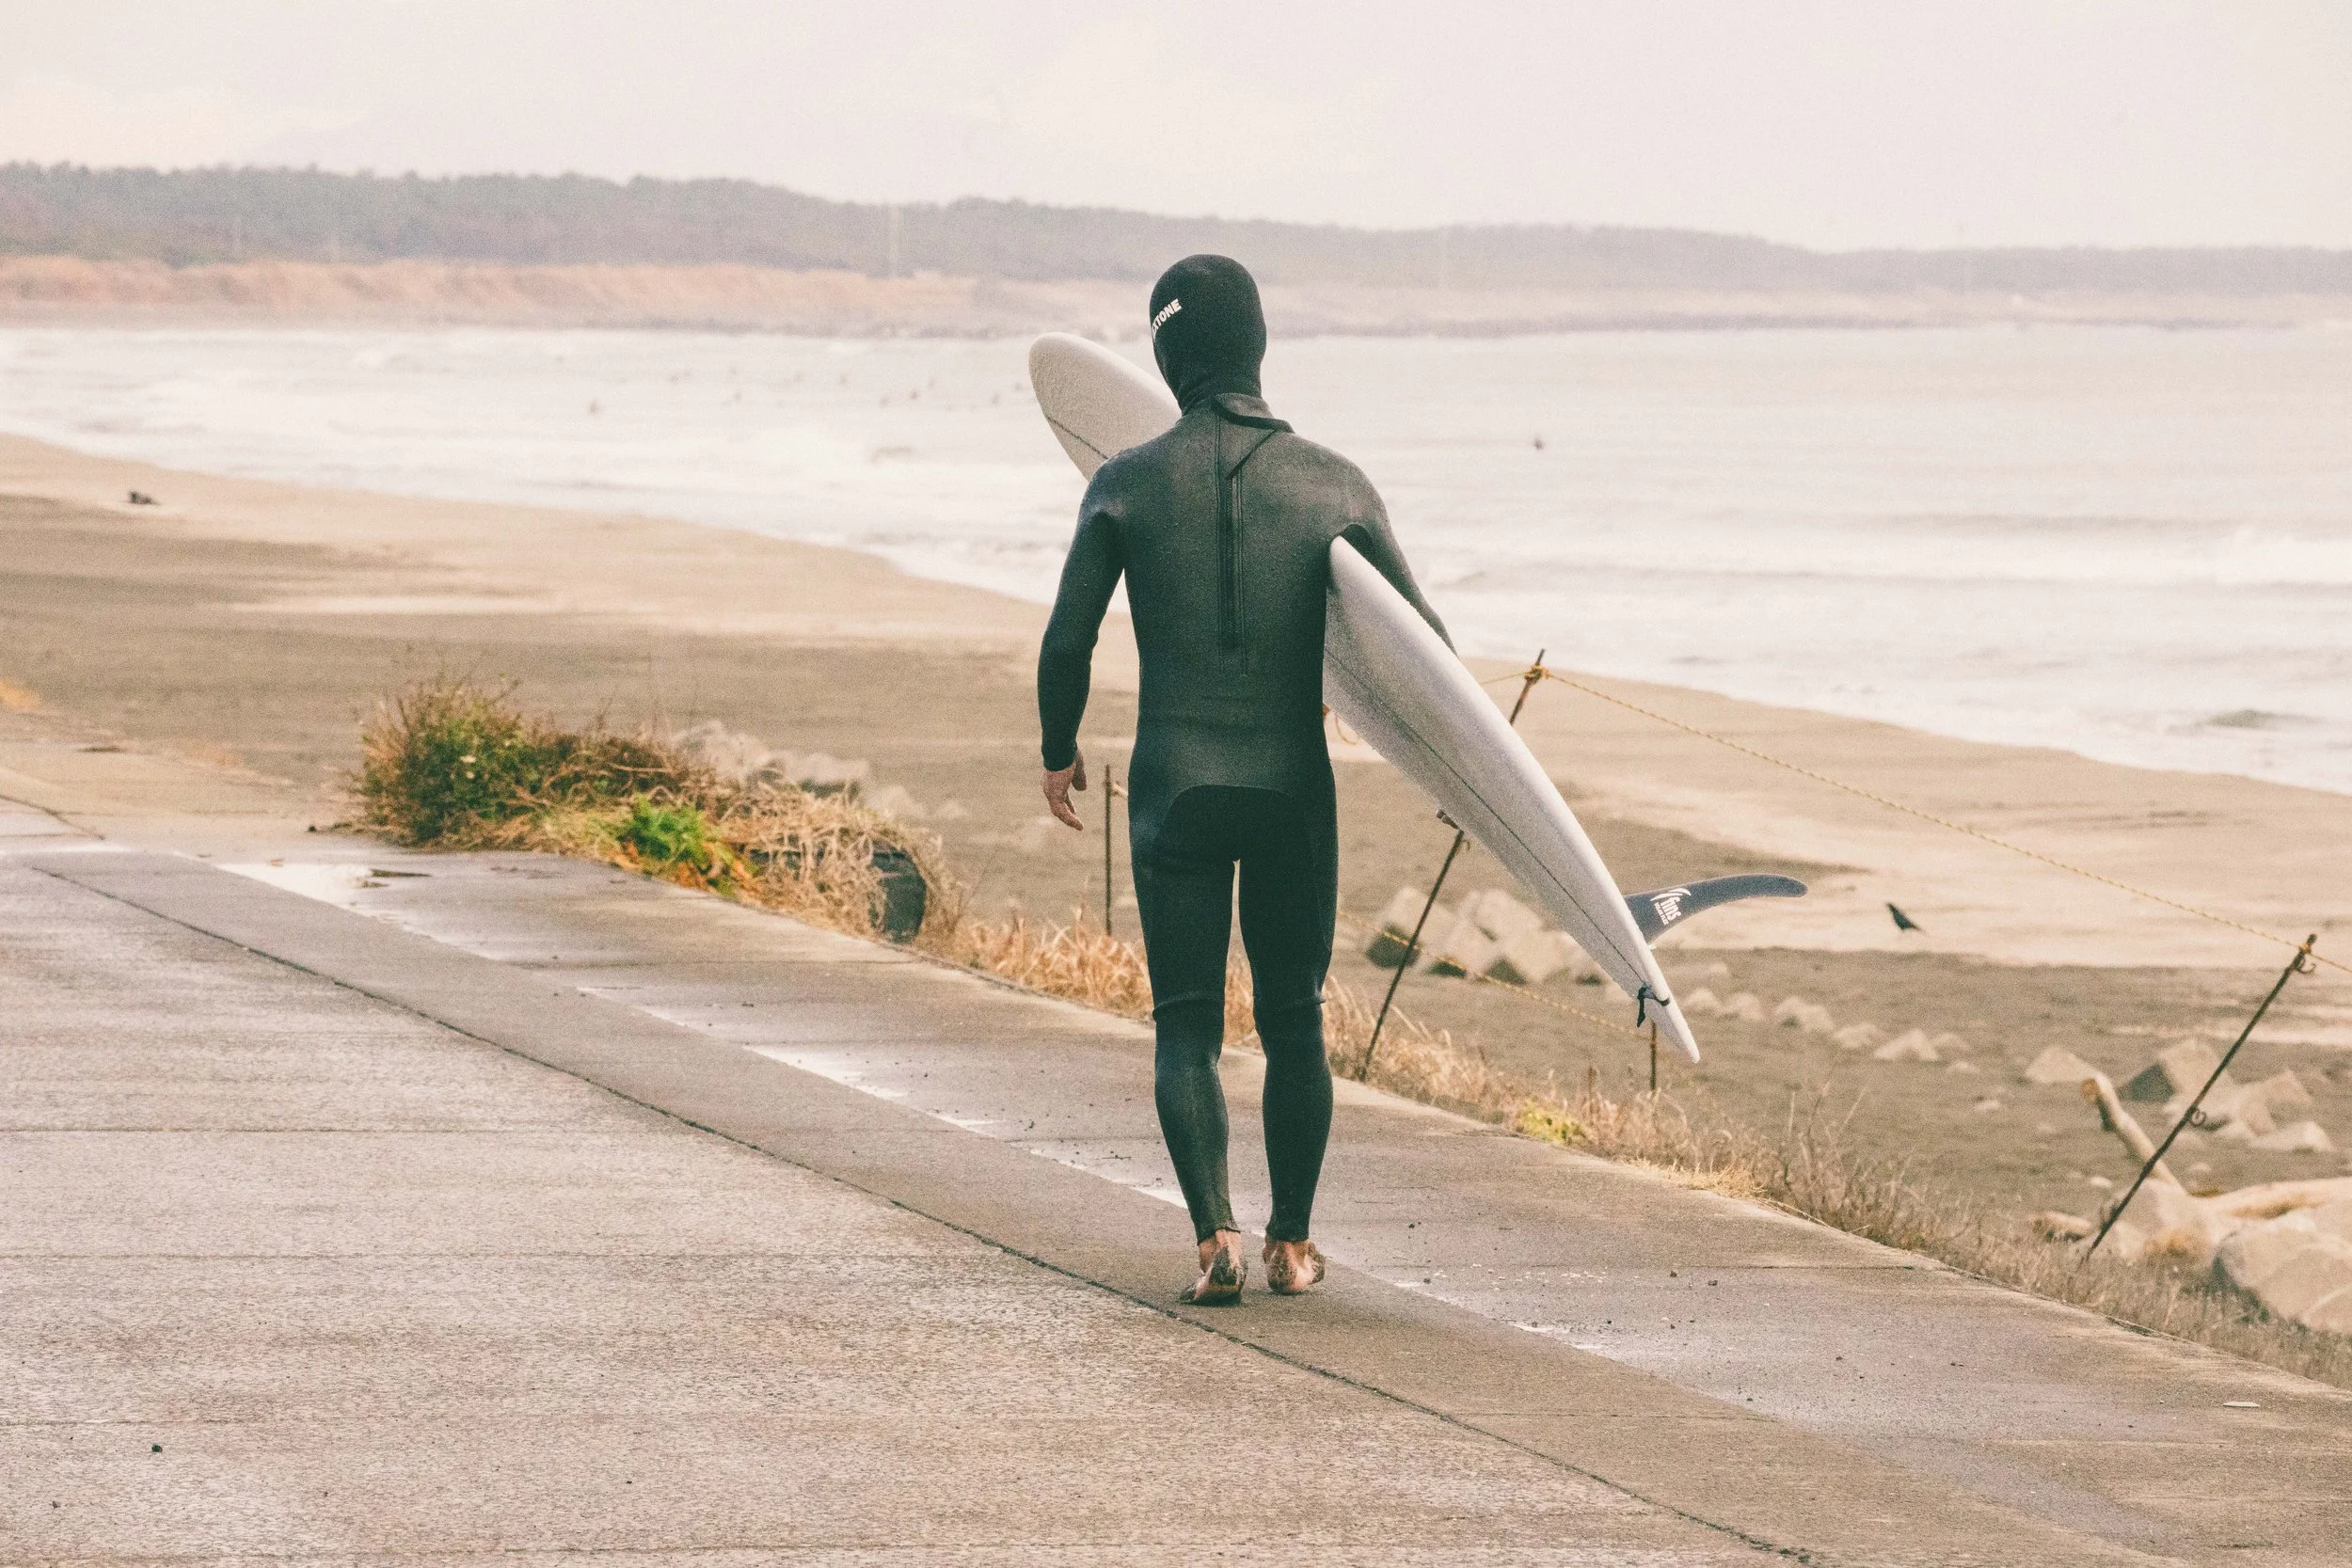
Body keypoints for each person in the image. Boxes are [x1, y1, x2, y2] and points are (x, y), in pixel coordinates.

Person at [1036, 255, 1449, 1304]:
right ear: (1259, 345)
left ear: (1169, 354)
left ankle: (1213, 1234)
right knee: (1293, 1017)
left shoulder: (1122, 482)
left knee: (1185, 1024)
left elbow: (1066, 640)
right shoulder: (1333, 483)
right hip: (1289, 793)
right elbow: (1428, 653)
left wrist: (1057, 746)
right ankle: (1292, 1244)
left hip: (1175, 783)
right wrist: (1450, 772)